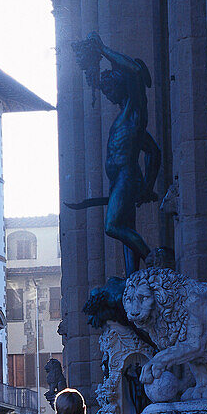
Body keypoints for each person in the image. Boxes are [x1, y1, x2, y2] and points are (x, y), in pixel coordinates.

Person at [66, 32, 161, 277]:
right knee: (126, 230)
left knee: (113, 226)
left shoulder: (134, 112)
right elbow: (153, 152)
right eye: (105, 91)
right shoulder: (125, 120)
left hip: (126, 177)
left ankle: (154, 261)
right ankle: (134, 279)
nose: (108, 95)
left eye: (110, 89)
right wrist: (148, 186)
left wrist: (103, 49)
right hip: (121, 179)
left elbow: (136, 73)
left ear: (121, 85)